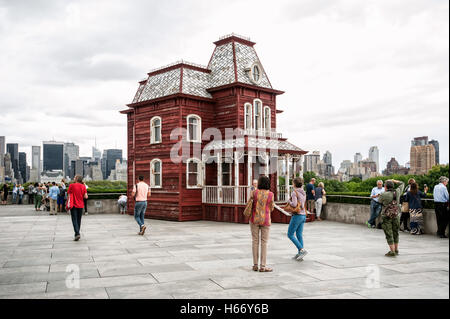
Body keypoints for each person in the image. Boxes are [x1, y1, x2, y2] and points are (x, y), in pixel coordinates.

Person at [248, 176, 274, 272]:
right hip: (266, 220)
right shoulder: (271, 194)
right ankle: (263, 266)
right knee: (264, 242)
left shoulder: (254, 193)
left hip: (254, 219)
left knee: (255, 241)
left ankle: (255, 265)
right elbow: (272, 208)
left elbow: (249, 204)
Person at [378, 179, 405, 257]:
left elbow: (380, 201)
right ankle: (396, 250)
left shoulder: (383, 194)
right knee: (396, 233)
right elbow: (402, 183)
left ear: (385, 187)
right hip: (396, 215)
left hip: (386, 216)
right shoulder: (397, 192)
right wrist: (394, 180)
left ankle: (392, 251)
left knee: (389, 233)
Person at [287, 177, 308, 261]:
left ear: (294, 184)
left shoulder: (294, 192)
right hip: (303, 215)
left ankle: (301, 250)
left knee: (290, 234)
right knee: (299, 235)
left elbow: (294, 204)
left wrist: (289, 202)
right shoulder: (304, 193)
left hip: (297, 215)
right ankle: (300, 254)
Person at [68, 175, 88, 241]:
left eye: (74, 177)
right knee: (79, 220)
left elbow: (69, 195)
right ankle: (77, 233)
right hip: (81, 205)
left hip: (73, 205)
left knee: (74, 220)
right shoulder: (83, 186)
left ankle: (77, 233)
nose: (73, 178)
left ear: (76, 179)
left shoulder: (71, 185)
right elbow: (86, 197)